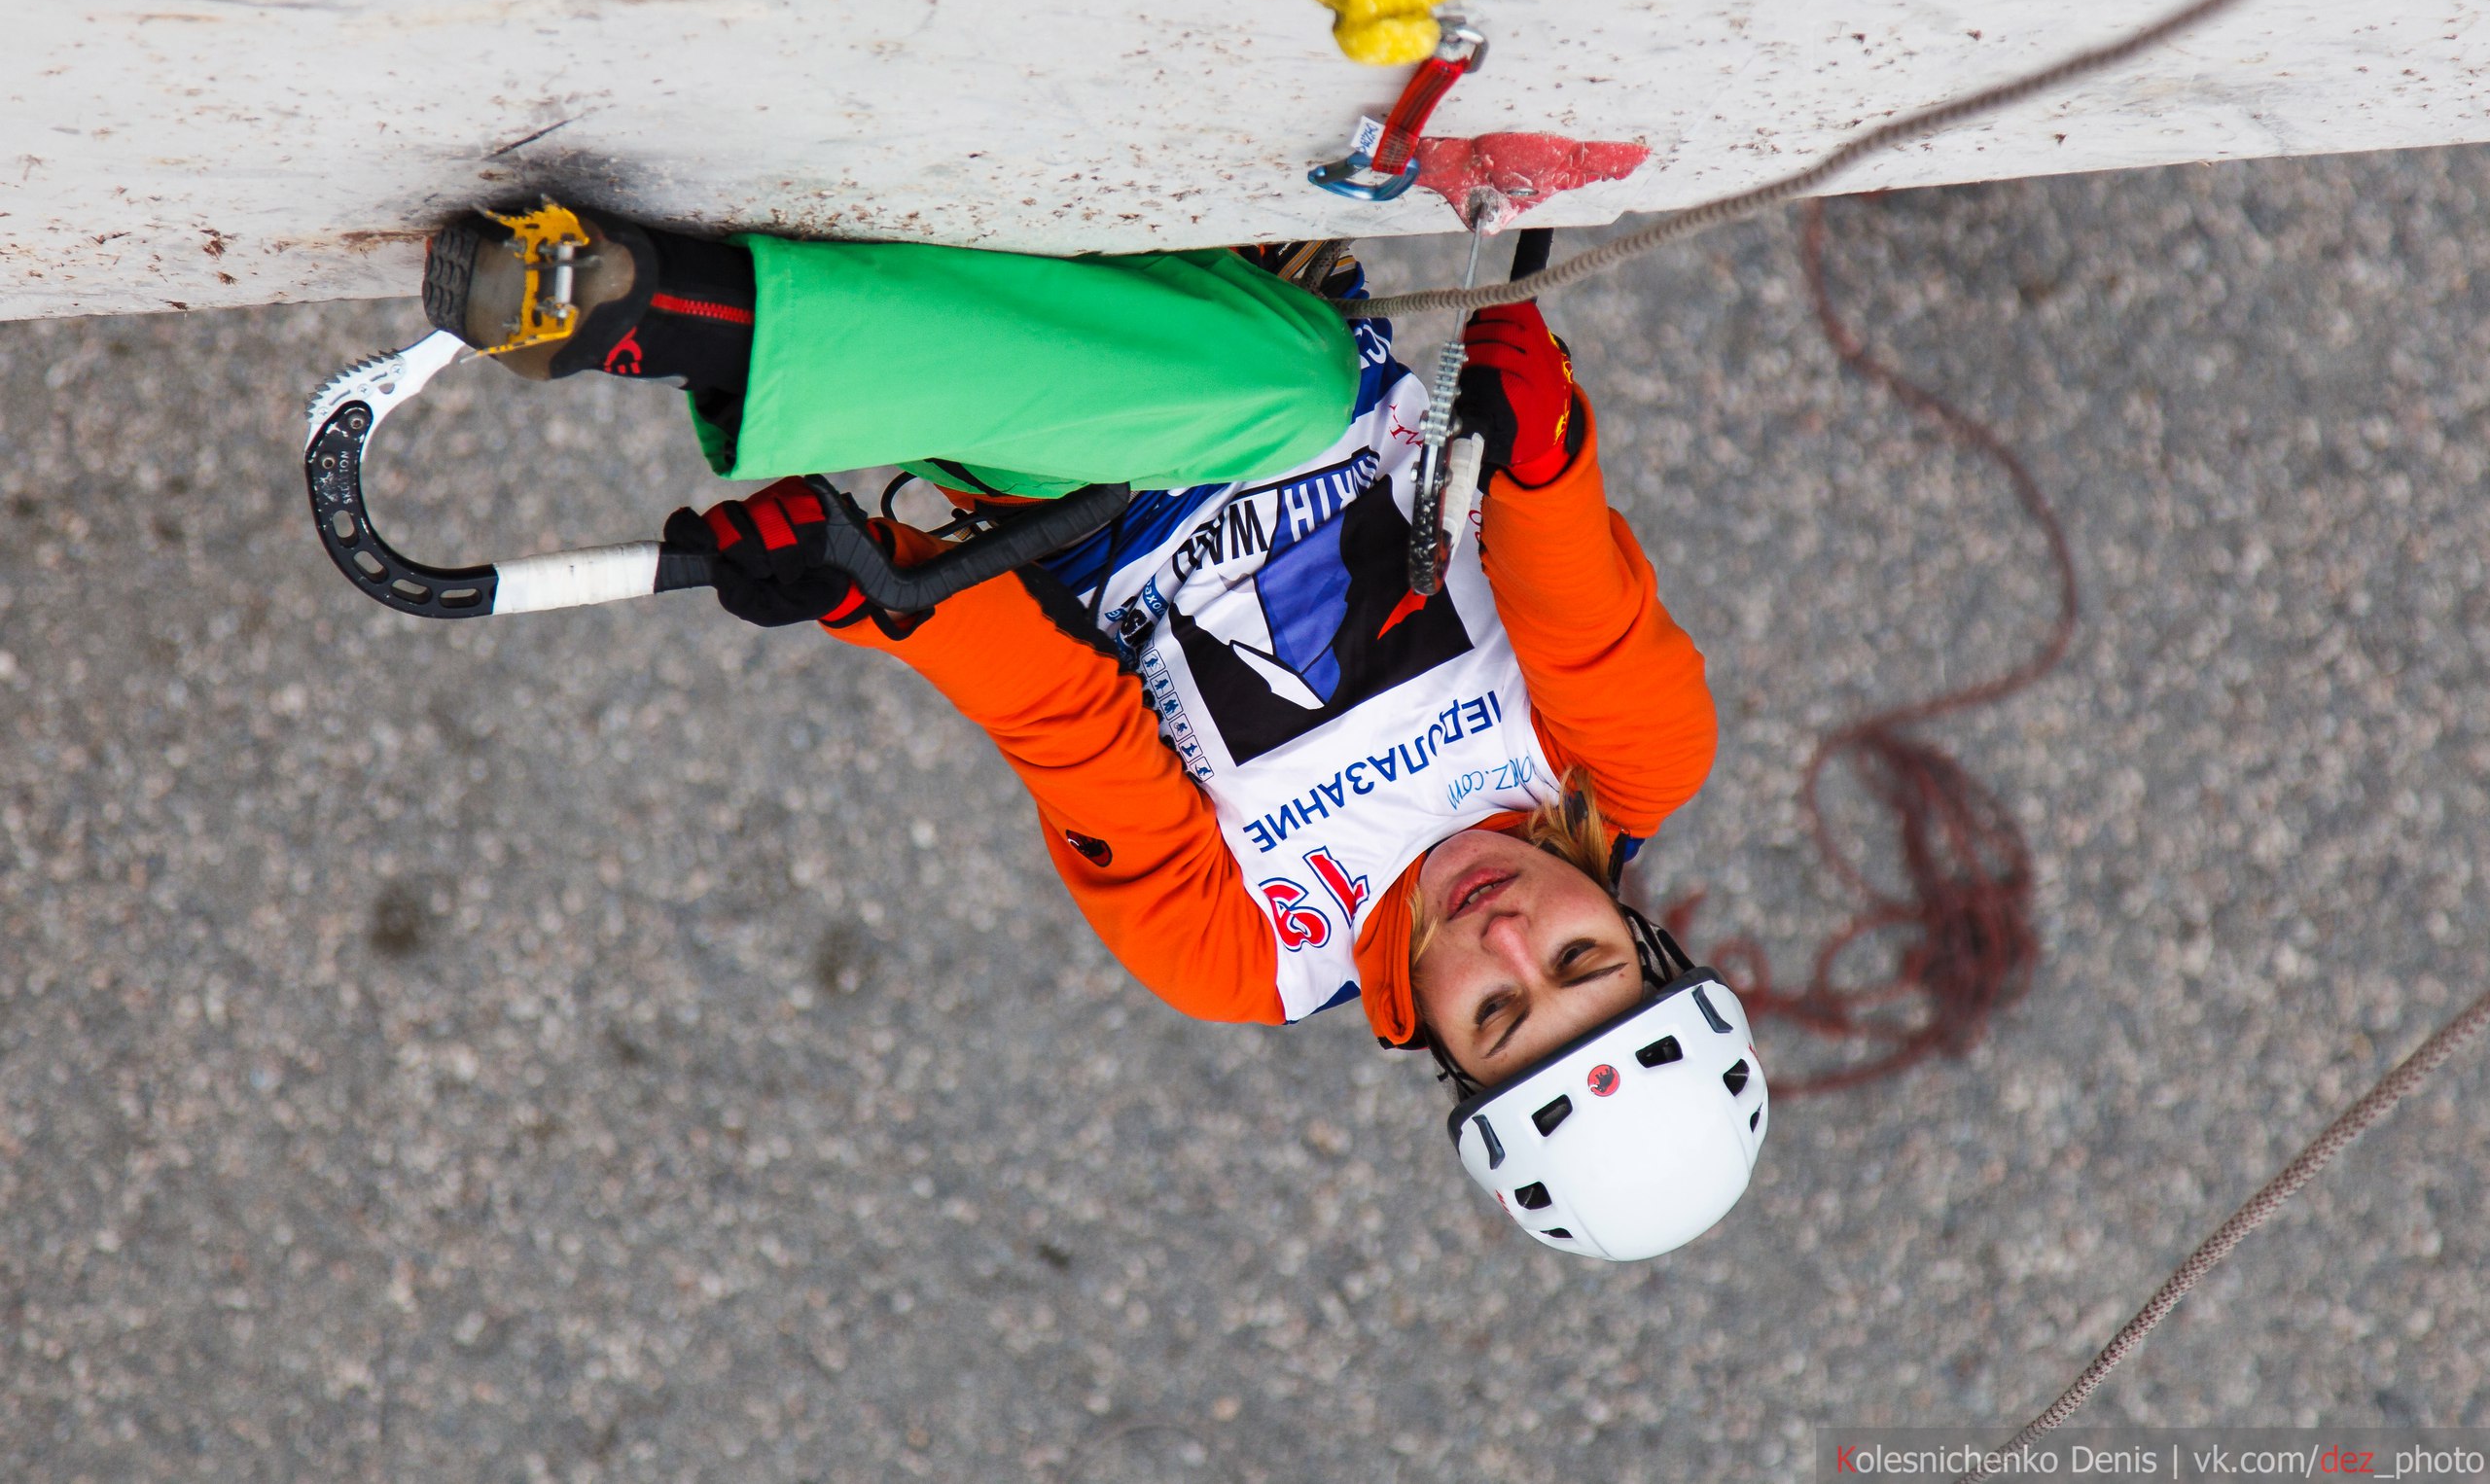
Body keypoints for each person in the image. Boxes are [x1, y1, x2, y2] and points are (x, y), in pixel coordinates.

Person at [425, 203, 1771, 1260]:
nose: (1508, 936)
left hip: (1059, 472)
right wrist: (1537, 451)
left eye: (1495, 1010)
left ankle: (659, 312)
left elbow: (1068, 719)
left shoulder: (1250, 949)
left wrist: (869, 589)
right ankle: (680, 313)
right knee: (1295, 385)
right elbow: (1568, 576)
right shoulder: (1624, 757)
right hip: (1258, 300)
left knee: (1258, 392)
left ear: (1444, 1054)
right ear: (1649, 939)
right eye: (1583, 958)